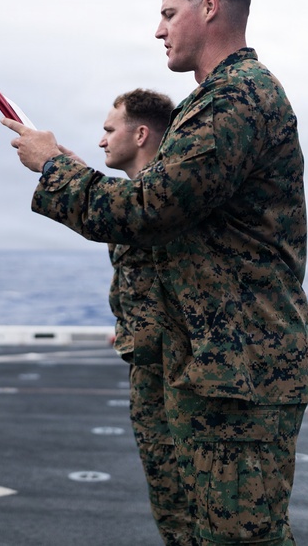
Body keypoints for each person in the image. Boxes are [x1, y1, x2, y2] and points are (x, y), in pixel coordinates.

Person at [3, 0, 308, 545]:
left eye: (170, 13)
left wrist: (52, 169)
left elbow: (147, 210)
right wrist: (67, 167)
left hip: (240, 370)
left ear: (211, 7)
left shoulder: (236, 99)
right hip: (214, 366)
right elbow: (157, 202)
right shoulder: (212, 103)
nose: (159, 29)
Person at [99, 89, 191, 545]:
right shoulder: (136, 199)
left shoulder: (166, 199)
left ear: (139, 134)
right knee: (171, 507)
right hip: (151, 371)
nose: (102, 141)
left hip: (179, 377)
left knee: (193, 509)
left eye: (109, 130)